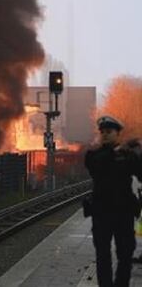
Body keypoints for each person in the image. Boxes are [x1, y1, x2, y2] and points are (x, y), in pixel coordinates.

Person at [85, 115, 140, 286]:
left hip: (124, 212)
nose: (105, 134)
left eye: (109, 131)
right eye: (102, 132)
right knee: (103, 255)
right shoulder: (93, 155)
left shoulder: (127, 155)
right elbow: (96, 168)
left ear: (117, 133)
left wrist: (138, 153)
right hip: (102, 212)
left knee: (125, 255)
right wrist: (115, 152)